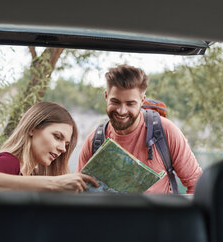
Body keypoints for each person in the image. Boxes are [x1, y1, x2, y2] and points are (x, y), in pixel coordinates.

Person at [76, 65, 202, 194]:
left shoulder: (166, 131)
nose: (121, 111)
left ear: (142, 101)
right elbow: (80, 191)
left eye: (130, 104)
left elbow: (197, 184)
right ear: (106, 96)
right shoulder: (94, 141)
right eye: (115, 102)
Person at [0, 101, 98, 192]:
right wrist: (54, 183)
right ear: (32, 129)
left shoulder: (31, 174)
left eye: (66, 144)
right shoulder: (10, 161)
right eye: (57, 137)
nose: (63, 149)